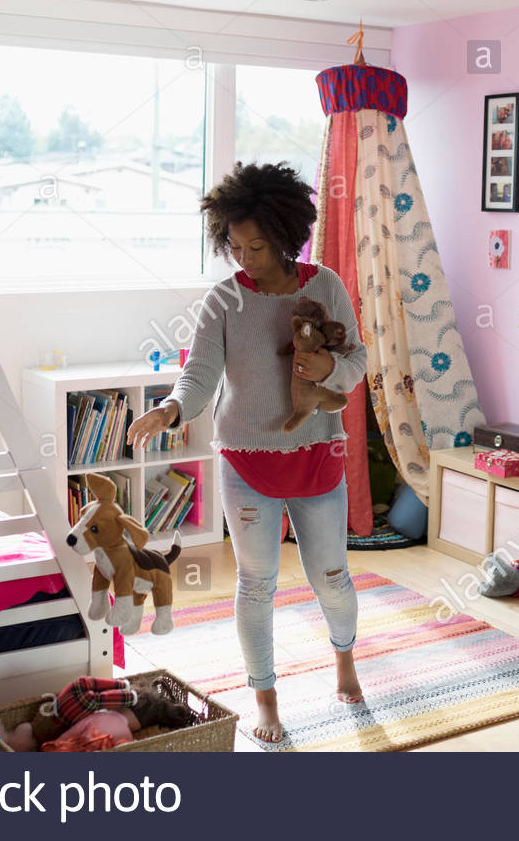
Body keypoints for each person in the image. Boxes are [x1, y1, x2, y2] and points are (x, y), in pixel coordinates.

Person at [125, 161, 368, 744]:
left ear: (286, 236)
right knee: (256, 582)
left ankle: (345, 660)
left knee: (331, 577)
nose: (244, 257)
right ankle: (265, 699)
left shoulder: (326, 285)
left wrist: (328, 365)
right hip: (246, 459)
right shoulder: (223, 301)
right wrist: (172, 409)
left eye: (256, 246)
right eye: (233, 245)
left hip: (315, 453)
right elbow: (200, 374)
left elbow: (357, 362)